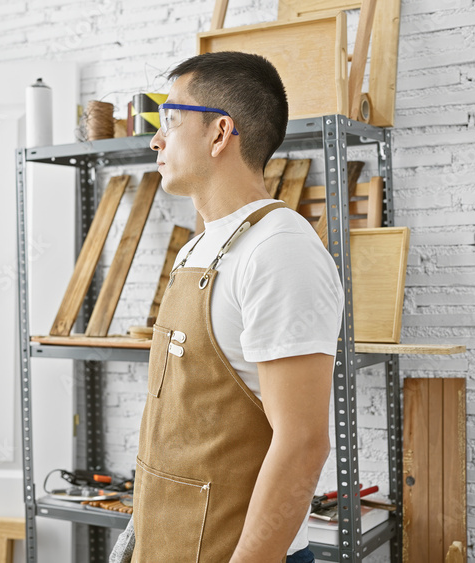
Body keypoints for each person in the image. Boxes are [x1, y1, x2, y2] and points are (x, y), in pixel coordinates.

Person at [113, 51, 344, 563]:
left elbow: (304, 444)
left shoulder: (279, 251)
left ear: (220, 134)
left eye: (170, 121)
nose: (155, 139)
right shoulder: (200, 248)